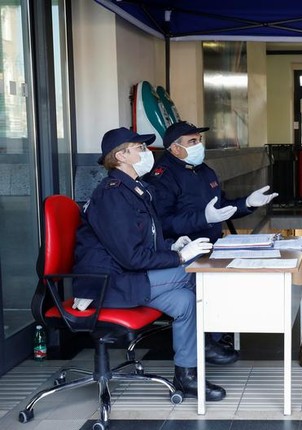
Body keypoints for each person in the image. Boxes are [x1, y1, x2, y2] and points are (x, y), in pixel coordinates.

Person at [72, 127, 226, 401]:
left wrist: (172, 246)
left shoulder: (136, 190)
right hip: (110, 283)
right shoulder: (112, 195)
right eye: (139, 148)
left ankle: (187, 376)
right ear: (121, 156)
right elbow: (131, 257)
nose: (147, 153)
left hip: (130, 276)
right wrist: (179, 256)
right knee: (195, 273)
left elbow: (146, 242)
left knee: (184, 302)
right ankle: (212, 340)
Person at [144, 120, 278, 364]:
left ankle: (215, 336)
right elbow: (162, 224)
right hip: (183, 250)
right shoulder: (162, 177)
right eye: (192, 142)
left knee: (241, 273)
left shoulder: (204, 170)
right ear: (174, 148)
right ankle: (205, 341)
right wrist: (203, 218)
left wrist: (246, 203)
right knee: (211, 281)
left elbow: (222, 206)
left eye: (199, 141)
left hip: (213, 245)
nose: (198, 146)